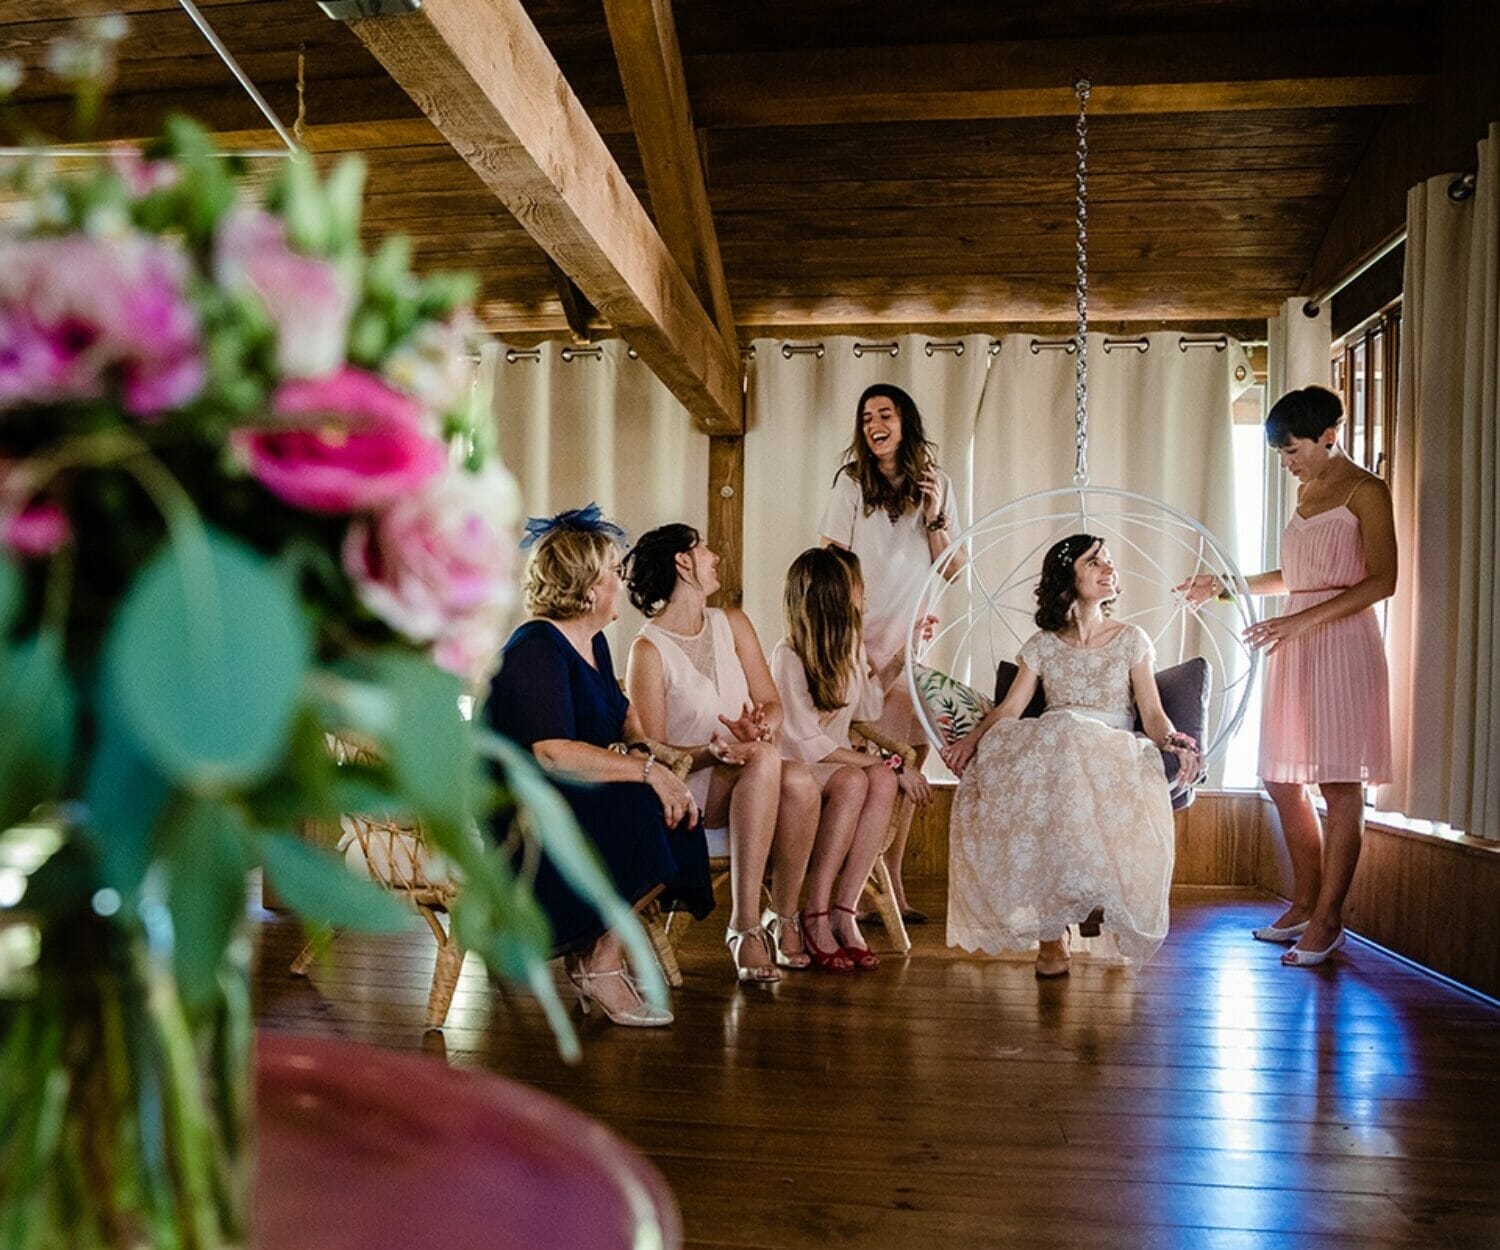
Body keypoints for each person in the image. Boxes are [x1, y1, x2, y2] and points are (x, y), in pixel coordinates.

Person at [1179, 386, 1395, 967]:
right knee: (1281, 778)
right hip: (1295, 640)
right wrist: (1221, 587)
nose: (1287, 462)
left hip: (1342, 644)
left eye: (1293, 449)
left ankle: (1329, 920)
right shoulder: (1306, 492)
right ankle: (1304, 901)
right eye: (1280, 454)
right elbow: (1297, 574)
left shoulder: (1367, 491)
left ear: (1329, 435)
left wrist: (1303, 622)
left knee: (1341, 785)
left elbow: (1383, 581)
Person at [486, 505, 714, 1028]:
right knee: (643, 804)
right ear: (588, 588)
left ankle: (595, 957)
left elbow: (623, 719)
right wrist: (650, 772)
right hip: (525, 816)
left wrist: (650, 752)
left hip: (572, 796)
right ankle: (602, 962)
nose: (622, 580)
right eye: (613, 571)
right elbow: (551, 750)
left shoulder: (596, 644)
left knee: (671, 809)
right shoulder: (535, 648)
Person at [942, 534, 1200, 976]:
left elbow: (1153, 715)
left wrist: (1175, 742)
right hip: (1056, 750)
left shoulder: (1131, 640)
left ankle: (1088, 912)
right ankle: (1051, 935)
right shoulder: (1042, 644)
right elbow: (1009, 710)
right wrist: (971, 740)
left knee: (1067, 742)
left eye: (1110, 562)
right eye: (1095, 562)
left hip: (1112, 750)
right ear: (1068, 575)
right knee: (1056, 739)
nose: (1109, 569)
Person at [624, 524, 820, 984]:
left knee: (801, 781)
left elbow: (773, 705)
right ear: (683, 562)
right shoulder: (647, 650)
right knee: (767, 761)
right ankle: (744, 923)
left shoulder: (732, 622)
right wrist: (716, 752)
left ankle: (784, 916)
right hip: (691, 790)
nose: (715, 557)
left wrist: (759, 728)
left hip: (749, 774)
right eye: (705, 549)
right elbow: (654, 754)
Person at [819, 383, 966, 925]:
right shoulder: (852, 483)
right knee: (860, 758)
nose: (874, 423)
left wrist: (935, 515)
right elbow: (831, 561)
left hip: (912, 642)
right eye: (865, 417)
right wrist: (844, 639)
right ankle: (844, 887)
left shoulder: (938, 484)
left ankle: (893, 881)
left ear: (906, 422)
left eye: (885, 413)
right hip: (856, 639)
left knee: (906, 764)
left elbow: (951, 568)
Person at [771, 547, 932, 971]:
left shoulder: (850, 650)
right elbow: (805, 744)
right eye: (858, 586)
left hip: (837, 766)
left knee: (873, 779)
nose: (866, 595)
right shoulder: (788, 657)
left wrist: (904, 656)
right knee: (866, 778)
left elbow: (868, 711)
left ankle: (842, 910)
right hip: (798, 771)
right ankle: (816, 914)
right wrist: (893, 765)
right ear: (833, 595)